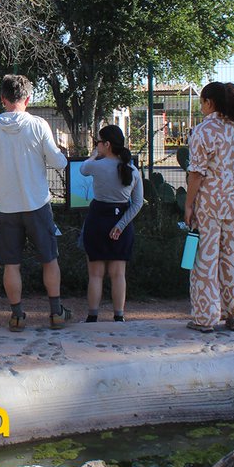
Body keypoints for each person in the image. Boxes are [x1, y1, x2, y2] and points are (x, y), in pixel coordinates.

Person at [0, 74, 70, 332]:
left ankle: (16, 316)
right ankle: (56, 312)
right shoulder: (38, 125)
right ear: (28, 99)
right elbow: (59, 162)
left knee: (10, 264)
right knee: (50, 259)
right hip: (37, 204)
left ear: (3, 99)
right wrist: (61, 153)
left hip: (5, 207)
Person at [183, 81, 234, 333]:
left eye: (202, 102)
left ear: (209, 102)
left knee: (205, 260)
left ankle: (205, 318)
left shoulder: (203, 130)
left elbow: (196, 173)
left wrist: (188, 205)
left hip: (209, 205)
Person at [79, 125, 143, 322]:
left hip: (97, 220)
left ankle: (92, 316)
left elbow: (83, 169)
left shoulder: (96, 166)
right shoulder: (132, 170)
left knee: (96, 274)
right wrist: (120, 226)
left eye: (98, 142)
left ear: (106, 144)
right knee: (118, 274)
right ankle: (119, 316)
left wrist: (92, 155)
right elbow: (138, 203)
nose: (97, 145)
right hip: (120, 223)